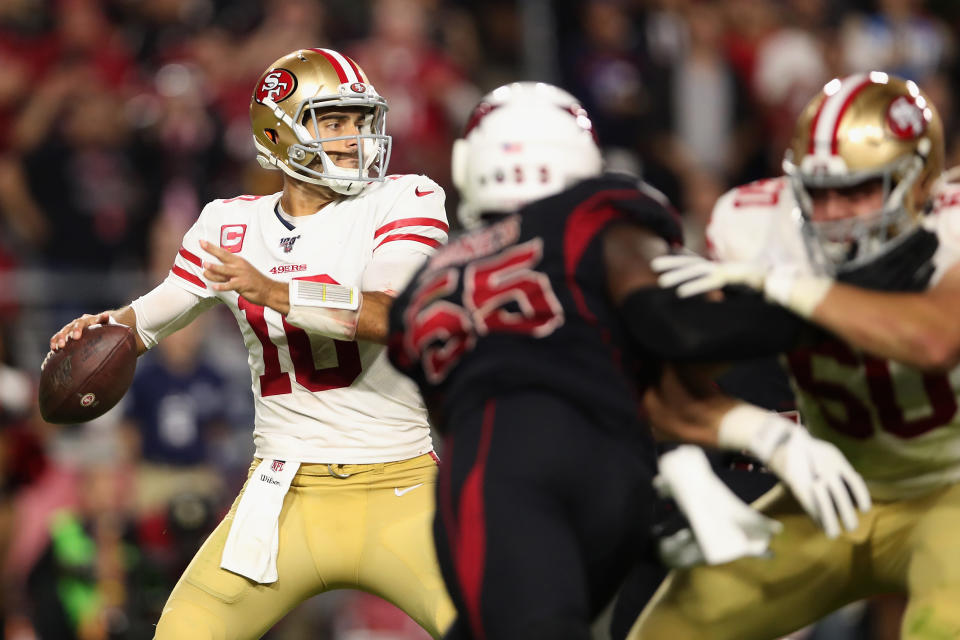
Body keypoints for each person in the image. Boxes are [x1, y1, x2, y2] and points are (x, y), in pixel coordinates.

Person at [386, 82, 869, 639]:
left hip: (504, 468)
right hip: (623, 469)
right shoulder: (594, 216)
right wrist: (825, 310)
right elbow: (671, 329)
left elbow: (453, 411)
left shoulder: (425, 283)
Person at [47, 48, 455, 639]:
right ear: (278, 130)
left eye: (361, 122)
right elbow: (147, 321)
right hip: (283, 495)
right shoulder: (228, 223)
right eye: (333, 122)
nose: (355, 139)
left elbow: (391, 316)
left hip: (401, 483)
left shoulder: (404, 198)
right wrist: (103, 328)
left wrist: (276, 290)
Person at [631, 71, 960, 639]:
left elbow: (935, 340)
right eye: (819, 192)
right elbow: (667, 389)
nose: (833, 215)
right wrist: (752, 434)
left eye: (857, 190)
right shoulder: (759, 227)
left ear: (917, 185)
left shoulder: (951, 221)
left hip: (948, 490)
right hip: (835, 489)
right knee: (669, 631)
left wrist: (789, 287)